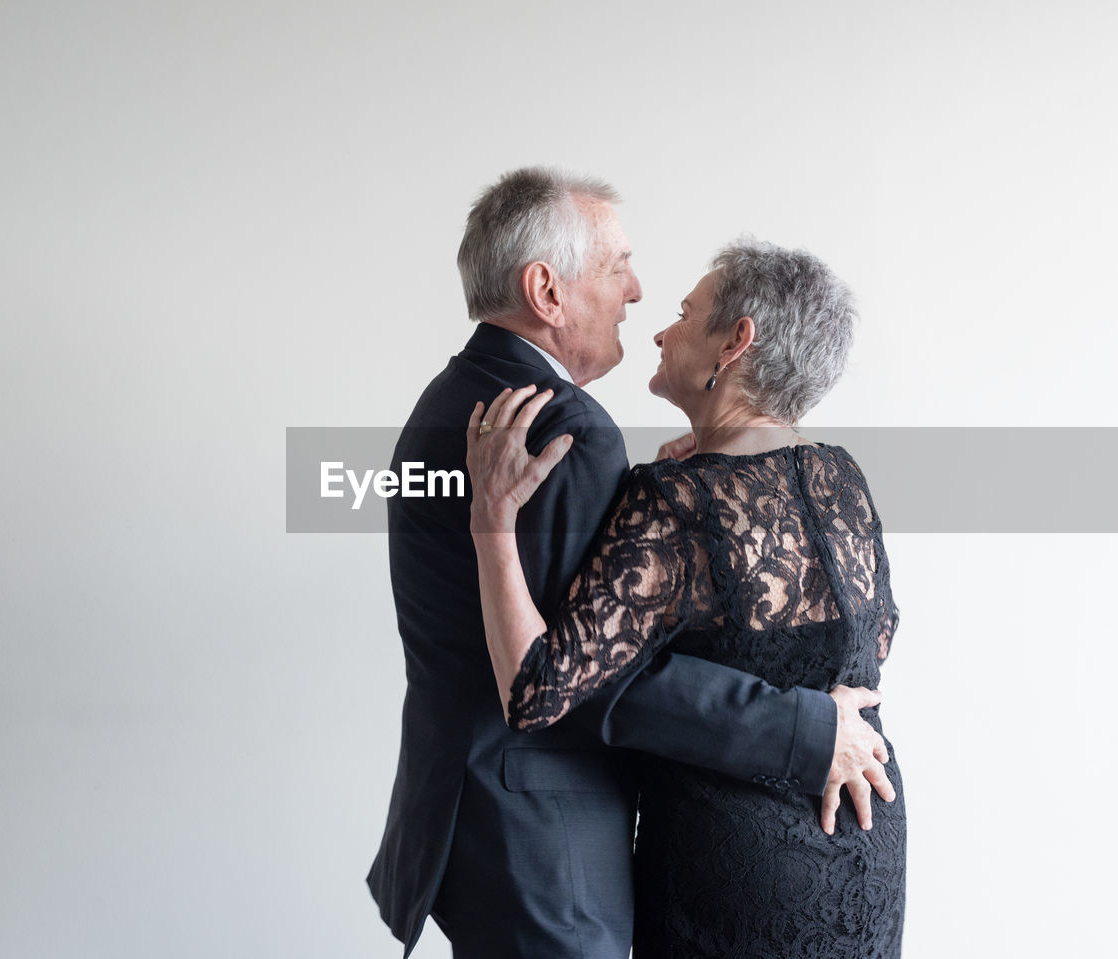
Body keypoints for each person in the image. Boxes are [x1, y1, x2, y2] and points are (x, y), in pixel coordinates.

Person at [367, 168, 893, 959]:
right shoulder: (572, 431)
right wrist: (807, 726)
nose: (638, 294)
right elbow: (588, 677)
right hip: (553, 844)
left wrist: (687, 502)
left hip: (476, 818)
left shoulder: (455, 398)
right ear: (546, 290)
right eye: (618, 266)